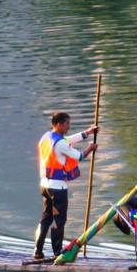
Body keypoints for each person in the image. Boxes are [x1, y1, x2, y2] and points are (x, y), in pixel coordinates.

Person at [33, 110, 97, 261]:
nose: (69, 126)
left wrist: (87, 132)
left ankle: (38, 251)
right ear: (60, 124)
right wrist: (90, 148)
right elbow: (79, 156)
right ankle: (57, 253)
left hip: (45, 185)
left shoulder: (47, 137)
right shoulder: (60, 143)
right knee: (59, 220)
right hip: (58, 188)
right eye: (67, 124)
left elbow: (68, 140)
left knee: (46, 218)